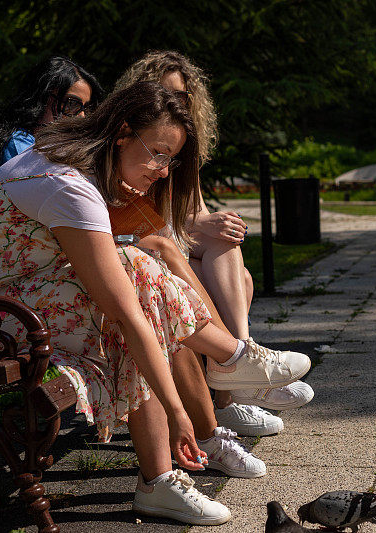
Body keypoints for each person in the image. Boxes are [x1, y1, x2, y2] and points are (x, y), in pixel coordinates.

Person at [0, 82, 311, 525]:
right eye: (158, 153)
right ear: (121, 135)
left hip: (17, 302)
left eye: (170, 158)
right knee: (131, 290)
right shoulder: (66, 185)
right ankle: (227, 366)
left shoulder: (73, 164)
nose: (164, 169)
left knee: (133, 270)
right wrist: (177, 410)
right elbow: (127, 315)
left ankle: (225, 371)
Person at [114, 51, 313, 433]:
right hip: (145, 251)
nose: (175, 105)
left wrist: (212, 223)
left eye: (183, 98)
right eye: (164, 94)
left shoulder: (181, 154)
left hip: (170, 246)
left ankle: (239, 366)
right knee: (241, 278)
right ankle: (238, 376)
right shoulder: (135, 149)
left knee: (230, 251)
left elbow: (192, 217)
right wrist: (200, 227)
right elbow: (140, 225)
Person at [0, 56, 105, 197]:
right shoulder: (17, 144)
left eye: (86, 108)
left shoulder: (39, 144)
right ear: (42, 99)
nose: (82, 116)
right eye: (72, 104)